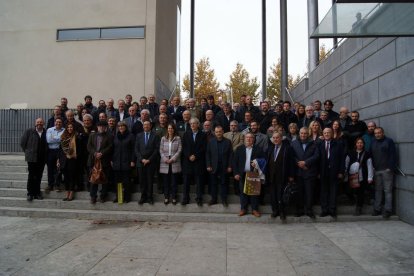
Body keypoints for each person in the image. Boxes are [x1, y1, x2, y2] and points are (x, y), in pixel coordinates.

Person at [233, 133, 265, 217]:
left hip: (253, 174)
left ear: (253, 139)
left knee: (254, 192)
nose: (249, 139)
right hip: (242, 174)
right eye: (247, 137)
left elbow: (263, 160)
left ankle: (255, 209)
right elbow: (234, 162)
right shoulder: (239, 149)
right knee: (243, 192)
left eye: (251, 138)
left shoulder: (259, 149)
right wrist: (236, 173)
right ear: (244, 139)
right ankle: (243, 209)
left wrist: (257, 163)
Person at [291, 127, 320, 218]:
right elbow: (291, 155)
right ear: (299, 134)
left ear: (308, 134)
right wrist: (299, 163)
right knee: (299, 192)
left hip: (310, 171)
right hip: (298, 172)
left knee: (309, 192)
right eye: (302, 133)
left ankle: (309, 210)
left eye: (305, 133)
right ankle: (299, 210)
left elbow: (316, 156)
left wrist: (306, 163)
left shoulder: (313, 143)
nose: (303, 135)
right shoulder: (294, 143)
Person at [370, 127, 396, 219]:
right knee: (378, 190)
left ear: (383, 133)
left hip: (386, 170)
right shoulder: (373, 142)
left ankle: (388, 210)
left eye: (379, 133)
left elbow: (393, 155)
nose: (377, 134)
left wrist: (390, 167)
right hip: (376, 170)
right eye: (375, 133)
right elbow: (371, 155)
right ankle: (377, 209)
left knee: (387, 191)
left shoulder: (389, 141)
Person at [267, 132, 293, 220]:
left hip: (282, 176)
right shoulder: (270, 148)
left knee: (281, 194)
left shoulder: (287, 148)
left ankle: (282, 212)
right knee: (273, 195)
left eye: (277, 138)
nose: (275, 139)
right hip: (271, 176)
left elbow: (291, 163)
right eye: (274, 138)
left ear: (281, 138)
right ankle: (275, 211)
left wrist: (291, 175)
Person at [319, 128, 345, 218]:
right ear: (323, 134)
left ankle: (332, 210)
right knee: (324, 191)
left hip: (335, 171)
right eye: (325, 133)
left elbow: (342, 159)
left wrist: (341, 171)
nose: (326, 134)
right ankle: (324, 210)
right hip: (323, 172)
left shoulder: (338, 144)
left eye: (328, 132)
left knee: (333, 191)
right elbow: (317, 159)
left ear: (331, 133)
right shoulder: (320, 144)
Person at [20, 118, 48, 201]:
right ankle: (30, 193)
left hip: (42, 159)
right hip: (32, 158)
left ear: (43, 123)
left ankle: (37, 193)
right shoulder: (29, 131)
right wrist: (28, 152)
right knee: (31, 175)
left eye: (41, 122)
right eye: (38, 122)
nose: (39, 123)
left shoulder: (46, 132)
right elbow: (22, 143)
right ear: (35, 123)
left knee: (39, 176)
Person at [345, 138, 374, 216]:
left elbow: (369, 166)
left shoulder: (367, 154)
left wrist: (370, 177)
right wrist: (344, 174)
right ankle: (353, 200)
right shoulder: (350, 153)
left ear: (363, 144)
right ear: (355, 144)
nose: (359, 144)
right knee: (349, 190)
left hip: (362, 176)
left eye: (361, 143)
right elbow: (346, 164)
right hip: (352, 176)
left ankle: (358, 208)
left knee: (360, 192)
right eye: (358, 143)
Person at [181, 118, 207, 206]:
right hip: (187, 161)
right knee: (186, 181)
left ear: (198, 124)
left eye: (194, 123)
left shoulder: (203, 135)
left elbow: (203, 148)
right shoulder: (186, 134)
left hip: (198, 161)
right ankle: (185, 198)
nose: (192, 125)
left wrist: (195, 156)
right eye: (191, 123)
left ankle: (199, 198)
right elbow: (184, 147)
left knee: (199, 181)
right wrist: (189, 156)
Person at [87, 121, 113, 203]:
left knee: (105, 179)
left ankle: (103, 196)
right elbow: (89, 146)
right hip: (93, 160)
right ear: (97, 127)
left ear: (106, 128)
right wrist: (95, 153)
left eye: (103, 126)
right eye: (99, 126)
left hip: (104, 160)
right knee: (93, 179)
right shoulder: (92, 135)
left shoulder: (109, 136)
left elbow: (110, 146)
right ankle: (93, 196)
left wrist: (102, 153)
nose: (101, 128)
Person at [206, 126, 233, 206]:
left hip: (224, 166)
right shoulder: (211, 141)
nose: (218, 133)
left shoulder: (228, 142)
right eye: (217, 132)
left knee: (224, 183)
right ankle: (214, 199)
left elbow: (230, 155)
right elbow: (208, 154)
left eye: (220, 131)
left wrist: (230, 166)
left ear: (223, 132)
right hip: (213, 166)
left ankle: (224, 200)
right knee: (213, 183)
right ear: (214, 132)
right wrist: (208, 165)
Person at [135, 121, 160, 205]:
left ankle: (150, 197)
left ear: (150, 126)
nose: (146, 126)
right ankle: (143, 197)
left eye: (147, 125)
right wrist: (142, 159)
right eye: (144, 125)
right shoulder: (138, 136)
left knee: (150, 180)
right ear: (143, 126)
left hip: (151, 162)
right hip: (140, 162)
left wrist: (149, 160)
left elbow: (156, 149)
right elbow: (136, 150)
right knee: (142, 181)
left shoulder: (155, 136)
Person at [111, 121, 135, 203]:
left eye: (122, 126)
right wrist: (112, 160)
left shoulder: (130, 136)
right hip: (117, 162)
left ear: (125, 127)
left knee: (126, 181)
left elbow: (133, 150)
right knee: (117, 181)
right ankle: (119, 197)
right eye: (119, 126)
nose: (121, 127)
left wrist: (132, 160)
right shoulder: (115, 136)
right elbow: (113, 149)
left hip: (126, 162)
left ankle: (127, 197)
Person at [159, 123, 182, 205]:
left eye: (171, 128)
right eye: (169, 128)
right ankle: (166, 197)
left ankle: (174, 197)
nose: (170, 130)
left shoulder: (178, 138)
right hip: (165, 162)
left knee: (173, 182)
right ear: (167, 129)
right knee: (166, 182)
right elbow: (160, 150)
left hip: (174, 162)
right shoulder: (163, 138)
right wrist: (165, 159)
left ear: (174, 129)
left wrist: (172, 159)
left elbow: (179, 150)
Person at [59, 123, 81, 201]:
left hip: (73, 159)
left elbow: (80, 149)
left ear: (73, 128)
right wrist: (58, 160)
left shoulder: (77, 137)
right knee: (66, 177)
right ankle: (67, 192)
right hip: (64, 160)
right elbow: (60, 149)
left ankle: (71, 193)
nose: (69, 128)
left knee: (72, 177)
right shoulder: (63, 137)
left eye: (71, 127)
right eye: (68, 127)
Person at [45, 118, 65, 193]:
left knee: (58, 168)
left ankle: (57, 184)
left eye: (60, 122)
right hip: (50, 151)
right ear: (54, 122)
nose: (58, 123)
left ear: (62, 123)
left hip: (60, 151)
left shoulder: (64, 130)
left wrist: (54, 138)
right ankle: (50, 184)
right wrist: (59, 138)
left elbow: (64, 139)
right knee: (50, 168)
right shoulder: (50, 130)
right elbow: (48, 140)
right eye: (57, 122)